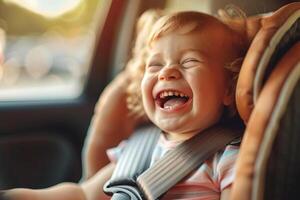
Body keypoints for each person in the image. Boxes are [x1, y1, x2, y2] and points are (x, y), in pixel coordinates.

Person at [0, 9, 248, 200]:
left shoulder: (227, 160)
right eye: (155, 65)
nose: (167, 72)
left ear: (228, 89)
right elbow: (84, 195)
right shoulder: (135, 149)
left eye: (189, 61)